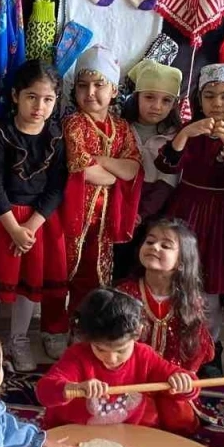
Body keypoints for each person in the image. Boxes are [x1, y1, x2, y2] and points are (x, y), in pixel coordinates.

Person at [155, 63, 224, 375]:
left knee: (211, 289)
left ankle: (209, 349)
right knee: (177, 279)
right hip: (186, 210)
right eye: (209, 96)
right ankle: (172, 345)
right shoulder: (192, 131)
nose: (217, 103)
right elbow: (167, 164)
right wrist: (185, 133)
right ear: (199, 100)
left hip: (221, 217)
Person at [0, 60, 69, 372]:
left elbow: (57, 186)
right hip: (4, 218)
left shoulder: (56, 136)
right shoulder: (2, 131)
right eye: (32, 97)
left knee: (31, 283)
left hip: (38, 222)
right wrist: (13, 228)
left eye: (48, 99)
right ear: (16, 95)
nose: (39, 107)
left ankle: (18, 339)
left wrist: (30, 226)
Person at [36, 287, 199, 434]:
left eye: (121, 350)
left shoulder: (144, 356)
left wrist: (184, 382)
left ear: (138, 331)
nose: (111, 358)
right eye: (100, 349)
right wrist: (74, 387)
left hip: (123, 434)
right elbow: (43, 392)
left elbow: (188, 382)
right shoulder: (77, 356)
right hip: (73, 433)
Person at [62, 45, 142, 333]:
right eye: (83, 85)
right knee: (66, 272)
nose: (90, 93)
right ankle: (60, 329)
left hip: (107, 220)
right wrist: (113, 173)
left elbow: (132, 168)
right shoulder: (73, 124)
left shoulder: (122, 128)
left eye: (99, 85)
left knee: (98, 276)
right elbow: (81, 168)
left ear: (114, 90)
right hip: (74, 216)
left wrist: (100, 160)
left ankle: (90, 330)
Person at [115, 218, 215, 375]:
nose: (154, 247)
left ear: (181, 262)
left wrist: (181, 378)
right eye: (150, 242)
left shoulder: (191, 302)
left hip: (174, 382)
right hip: (130, 380)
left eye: (165, 246)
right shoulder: (124, 294)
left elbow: (194, 354)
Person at [123, 59, 184, 223]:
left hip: (154, 215)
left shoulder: (175, 138)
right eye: (149, 97)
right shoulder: (121, 128)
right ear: (137, 97)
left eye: (166, 100)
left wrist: (143, 213)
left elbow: (166, 184)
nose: (157, 106)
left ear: (174, 104)